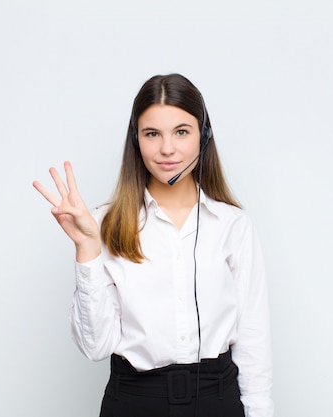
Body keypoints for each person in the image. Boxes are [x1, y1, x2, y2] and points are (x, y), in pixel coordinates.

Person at [33, 73, 273, 417]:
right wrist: (87, 248)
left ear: (203, 137)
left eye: (181, 132)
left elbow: (253, 339)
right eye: (152, 134)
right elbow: (95, 346)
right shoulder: (102, 224)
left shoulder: (233, 226)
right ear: (136, 140)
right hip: (134, 400)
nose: (167, 149)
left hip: (216, 400)